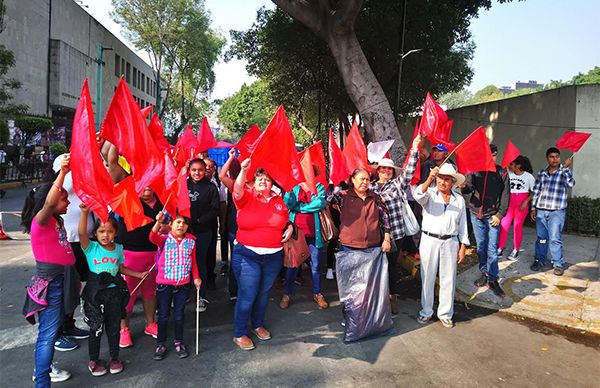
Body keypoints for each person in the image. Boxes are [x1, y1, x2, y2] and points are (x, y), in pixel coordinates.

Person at [22, 154, 76, 386]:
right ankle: (41, 381)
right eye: (65, 199)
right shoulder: (41, 220)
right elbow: (50, 202)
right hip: (51, 284)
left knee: (51, 333)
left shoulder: (57, 221)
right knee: (48, 334)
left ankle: (45, 370)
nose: (69, 203)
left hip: (62, 280)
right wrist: (63, 173)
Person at [231, 159, 293, 351]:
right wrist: (243, 170)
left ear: (272, 183)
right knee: (247, 294)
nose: (263, 181)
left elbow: (284, 220)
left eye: (267, 179)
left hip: (273, 256)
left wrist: (290, 227)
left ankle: (257, 324)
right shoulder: (246, 196)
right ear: (254, 181)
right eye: (259, 178)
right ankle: (239, 333)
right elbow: (237, 189)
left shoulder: (278, 200)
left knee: (264, 293)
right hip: (247, 254)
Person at [79, 207, 144, 376]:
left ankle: (115, 358)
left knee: (114, 327)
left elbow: (120, 268)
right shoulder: (90, 248)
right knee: (96, 328)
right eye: (101, 231)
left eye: (109, 231)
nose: (105, 235)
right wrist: (85, 213)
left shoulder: (118, 249)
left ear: (115, 233)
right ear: (95, 233)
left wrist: (138, 274)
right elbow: (81, 234)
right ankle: (94, 359)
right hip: (95, 295)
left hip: (114, 294)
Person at [370, 134, 422, 314]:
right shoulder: (370, 188)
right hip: (374, 235)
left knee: (391, 266)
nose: (386, 171)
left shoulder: (397, 185)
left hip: (395, 234)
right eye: (383, 169)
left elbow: (409, 171)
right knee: (376, 267)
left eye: (389, 170)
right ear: (377, 171)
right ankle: (377, 297)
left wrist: (415, 148)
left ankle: (392, 297)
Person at [414, 163, 469, 328]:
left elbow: (463, 224)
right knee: (428, 276)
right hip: (429, 240)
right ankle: (426, 311)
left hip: (450, 241)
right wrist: (429, 178)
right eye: (440, 178)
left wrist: (463, 245)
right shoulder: (429, 194)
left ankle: (445, 313)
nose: (443, 182)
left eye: (447, 179)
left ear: (452, 182)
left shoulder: (458, 200)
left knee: (448, 279)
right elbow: (417, 195)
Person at [150, 212, 202, 360]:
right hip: (164, 284)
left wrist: (196, 277)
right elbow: (152, 238)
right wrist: (158, 222)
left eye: (184, 223)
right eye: (177, 222)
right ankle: (161, 344)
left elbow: (193, 262)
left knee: (179, 315)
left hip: (183, 284)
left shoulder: (191, 241)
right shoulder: (164, 240)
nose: (181, 225)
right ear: (170, 225)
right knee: (163, 316)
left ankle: (179, 342)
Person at [116, 187, 162, 348]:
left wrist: (164, 226)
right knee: (128, 294)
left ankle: (150, 324)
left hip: (154, 254)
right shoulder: (127, 200)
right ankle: (124, 329)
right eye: (143, 184)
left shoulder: (163, 201)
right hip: (131, 254)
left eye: (151, 184)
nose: (148, 188)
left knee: (150, 292)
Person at [461, 144, 509, 298]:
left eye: (493, 155)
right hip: (476, 214)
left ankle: (493, 279)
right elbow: (468, 188)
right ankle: (484, 272)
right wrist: (463, 185)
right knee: (481, 248)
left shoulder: (502, 172)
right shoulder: (475, 170)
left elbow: (506, 195)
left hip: (492, 216)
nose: (490, 158)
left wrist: (500, 214)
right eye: (487, 155)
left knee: (492, 250)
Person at [280, 174, 329, 310]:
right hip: (296, 234)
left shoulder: (318, 186)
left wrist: (299, 208)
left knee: (316, 265)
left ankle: (317, 293)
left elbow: (319, 203)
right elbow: (288, 203)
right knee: (292, 266)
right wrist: (289, 191)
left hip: (314, 234)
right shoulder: (294, 186)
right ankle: (287, 294)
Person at [530, 147, 575, 276]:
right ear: (547, 158)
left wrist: (566, 169)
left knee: (555, 239)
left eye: (557, 157)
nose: (555, 159)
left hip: (557, 211)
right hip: (541, 211)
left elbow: (571, 184)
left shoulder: (564, 172)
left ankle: (558, 264)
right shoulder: (541, 173)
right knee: (542, 238)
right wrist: (533, 208)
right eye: (552, 157)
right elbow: (537, 191)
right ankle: (539, 260)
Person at [188, 158, 219, 310]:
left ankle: (202, 296)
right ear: (189, 170)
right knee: (184, 263)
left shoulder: (211, 187)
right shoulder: (184, 184)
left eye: (200, 169)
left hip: (203, 231)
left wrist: (199, 220)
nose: (197, 173)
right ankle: (183, 293)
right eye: (193, 170)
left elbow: (215, 210)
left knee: (200, 264)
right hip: (184, 233)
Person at [498, 155, 535, 260]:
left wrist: (526, 201)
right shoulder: (508, 174)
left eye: (512, 164)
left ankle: (516, 249)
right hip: (509, 203)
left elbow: (534, 191)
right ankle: (500, 248)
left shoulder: (529, 177)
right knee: (504, 225)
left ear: (518, 165)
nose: (510, 166)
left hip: (521, 205)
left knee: (517, 226)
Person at [218, 149, 242, 301]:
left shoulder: (253, 185)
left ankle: (239, 291)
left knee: (241, 260)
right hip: (236, 227)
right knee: (237, 258)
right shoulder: (236, 185)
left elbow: (221, 175)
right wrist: (231, 157)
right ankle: (234, 291)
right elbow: (221, 176)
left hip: (246, 228)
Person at [204, 157, 228, 289]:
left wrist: (222, 223)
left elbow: (222, 204)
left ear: (214, 169)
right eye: (205, 166)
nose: (207, 169)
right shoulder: (189, 183)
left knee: (210, 250)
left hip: (211, 222)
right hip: (194, 225)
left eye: (210, 167)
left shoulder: (218, 183)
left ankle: (210, 277)